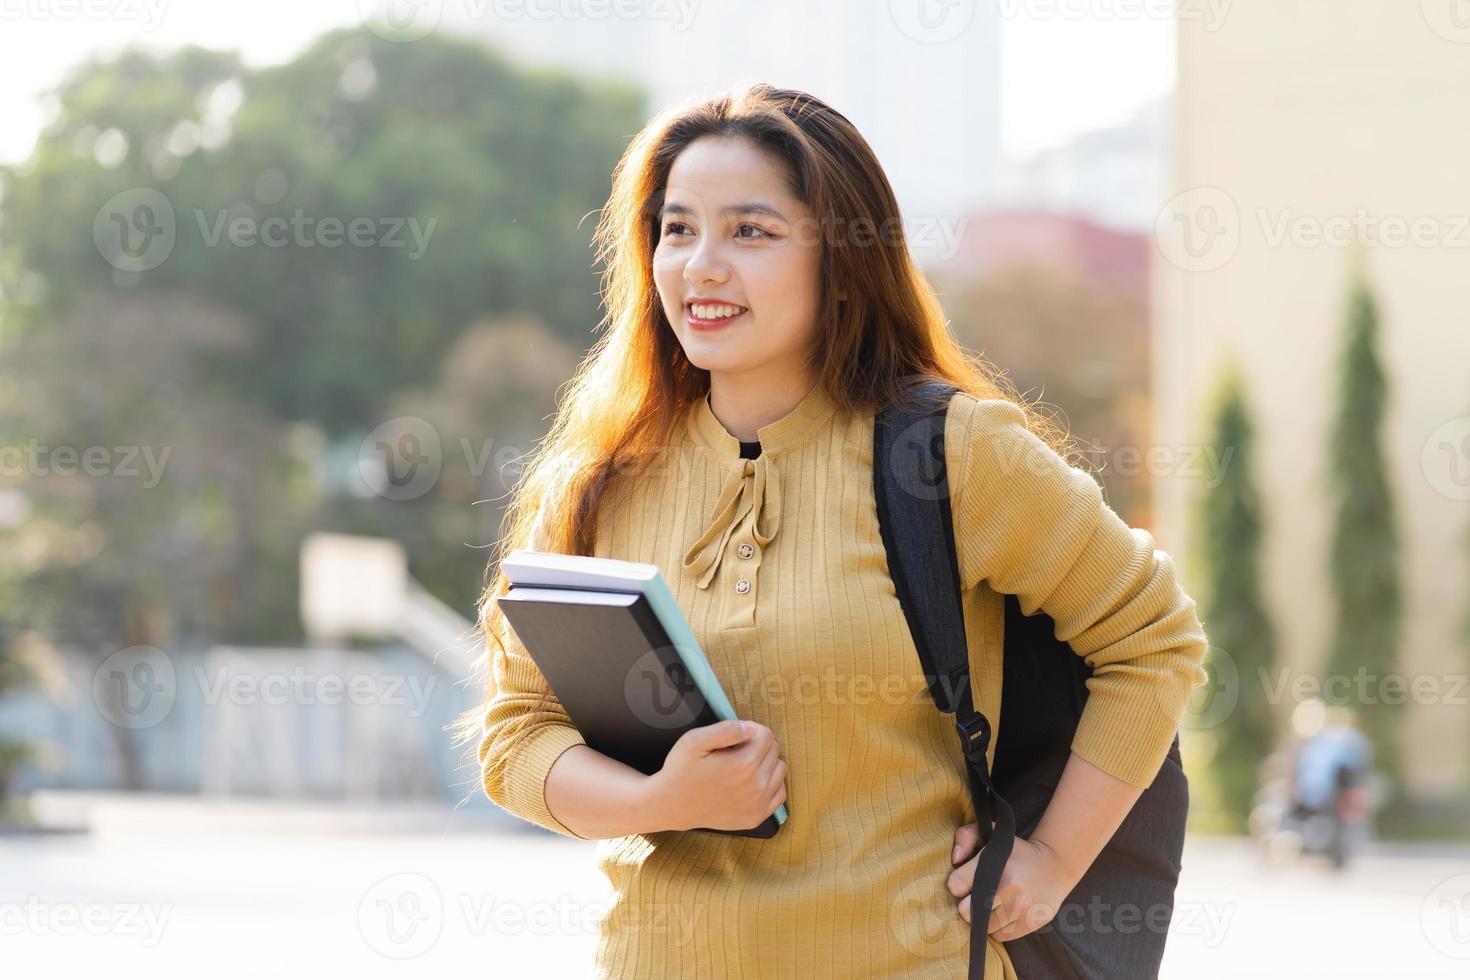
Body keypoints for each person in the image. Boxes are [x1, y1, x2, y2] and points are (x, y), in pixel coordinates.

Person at [457, 83, 1210, 979]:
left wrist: (1050, 864)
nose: (700, 266)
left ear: (841, 261)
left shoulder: (954, 453)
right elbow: (516, 733)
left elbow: (1153, 640)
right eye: (677, 228)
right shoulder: (597, 480)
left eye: (752, 232)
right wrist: (659, 796)